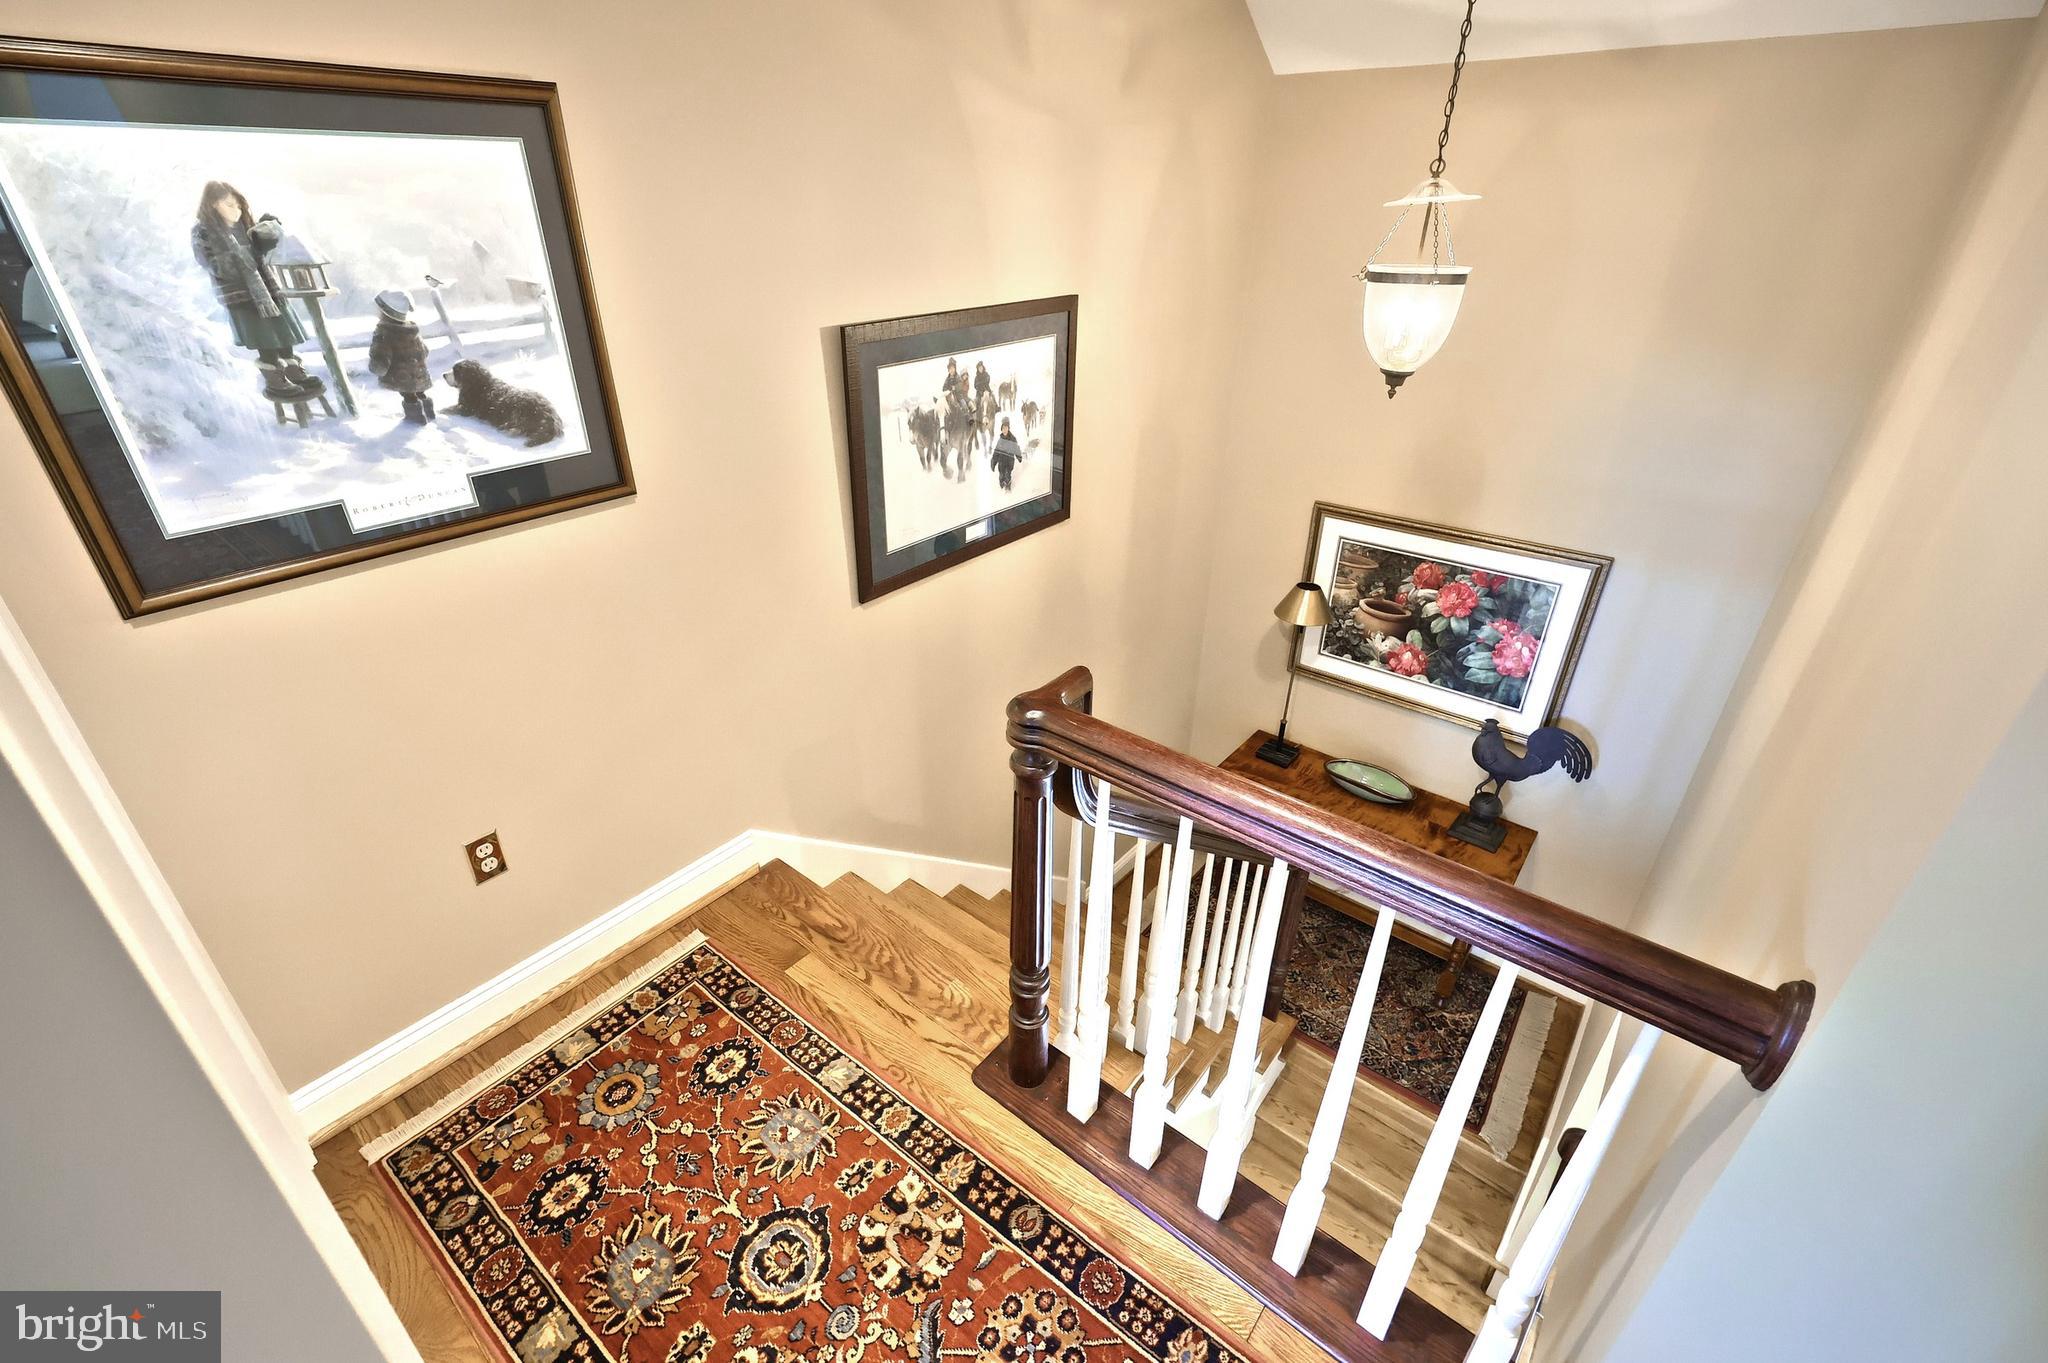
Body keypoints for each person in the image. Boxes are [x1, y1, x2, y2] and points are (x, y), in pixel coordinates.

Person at [189, 180, 324, 401]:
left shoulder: (244, 227)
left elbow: (265, 257)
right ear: (213, 205)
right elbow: (215, 266)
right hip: (242, 297)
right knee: (265, 338)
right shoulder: (203, 231)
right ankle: (275, 380)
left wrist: (267, 232)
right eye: (230, 205)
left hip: (269, 292)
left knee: (282, 333)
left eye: (239, 205)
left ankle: (292, 371)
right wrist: (248, 251)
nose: (237, 210)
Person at [367, 290, 434, 424]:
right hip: (419, 373)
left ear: (387, 312)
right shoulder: (411, 330)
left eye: (379, 309)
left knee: (409, 394)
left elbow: (380, 359)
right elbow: (425, 351)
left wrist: (376, 367)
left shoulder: (384, 334)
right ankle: (429, 412)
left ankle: (415, 419)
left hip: (401, 376)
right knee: (419, 390)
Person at [989, 417, 1025, 491]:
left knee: (1007, 475)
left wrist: (1019, 457)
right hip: (1001, 462)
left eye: (1006, 428)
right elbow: (996, 452)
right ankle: (1002, 488)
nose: (1005, 430)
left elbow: (1016, 448)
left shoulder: (1012, 438)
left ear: (1008, 429)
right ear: (1001, 430)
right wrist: (993, 462)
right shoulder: (1000, 440)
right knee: (1001, 476)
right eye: (1003, 429)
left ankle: (1008, 490)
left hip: (1009, 461)